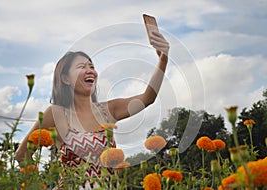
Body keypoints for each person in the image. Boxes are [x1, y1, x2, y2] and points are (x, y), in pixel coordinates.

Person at [15, 30, 169, 189]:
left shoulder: (109, 110)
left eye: (92, 66)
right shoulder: (55, 113)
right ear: (65, 78)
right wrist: (38, 186)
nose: (90, 70)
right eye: (82, 67)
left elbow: (148, 98)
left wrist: (163, 59)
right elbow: (22, 155)